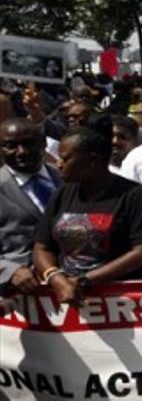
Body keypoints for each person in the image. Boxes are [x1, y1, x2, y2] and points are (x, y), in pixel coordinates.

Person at [33, 118, 142, 303]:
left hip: (120, 302)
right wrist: (56, 278)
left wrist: (85, 281)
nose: (59, 163)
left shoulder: (135, 196)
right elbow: (41, 247)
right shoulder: (62, 194)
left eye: (66, 158)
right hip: (66, 295)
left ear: (93, 160)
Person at [0, 118, 63, 295]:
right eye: (10, 146)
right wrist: (8, 270)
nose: (21, 152)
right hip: (21, 293)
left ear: (43, 143)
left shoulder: (67, 179)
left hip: (71, 283)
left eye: (28, 144)